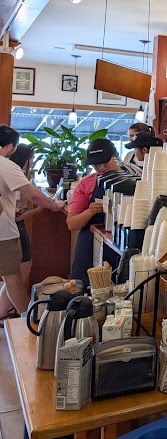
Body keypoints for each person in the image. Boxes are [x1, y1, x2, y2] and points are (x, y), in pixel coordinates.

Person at [0, 126, 65, 323]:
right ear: (10, 147)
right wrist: (54, 206)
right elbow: (34, 195)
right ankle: (25, 320)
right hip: (3, 233)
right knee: (14, 278)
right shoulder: (6, 166)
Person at [66, 138, 129, 288]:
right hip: (90, 245)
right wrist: (89, 212)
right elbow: (72, 224)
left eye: (104, 163)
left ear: (115, 156)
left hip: (120, 245)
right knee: (83, 290)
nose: (100, 168)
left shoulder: (132, 179)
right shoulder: (86, 184)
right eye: (95, 165)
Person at [0, 145, 42, 320]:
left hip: (15, 227)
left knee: (15, 273)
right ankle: (14, 313)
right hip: (14, 228)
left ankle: (10, 310)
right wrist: (44, 207)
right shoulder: (14, 174)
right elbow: (17, 212)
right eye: (32, 158)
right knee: (15, 274)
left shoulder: (17, 173)